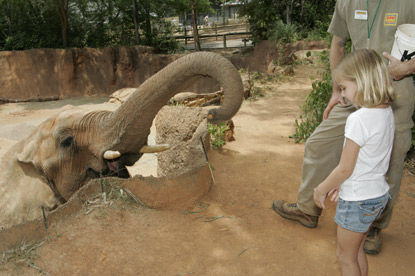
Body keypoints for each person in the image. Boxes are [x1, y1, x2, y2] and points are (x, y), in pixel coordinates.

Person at [272, 0, 415, 254]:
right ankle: (308, 208)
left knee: (391, 162)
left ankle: (373, 226)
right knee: (318, 143)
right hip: (355, 92)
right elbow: (338, 43)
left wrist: (407, 67)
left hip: (394, 93)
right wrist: (337, 90)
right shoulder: (347, 2)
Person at [313, 49, 395, 276]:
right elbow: (369, 161)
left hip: (358, 201)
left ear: (363, 82)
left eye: (344, 88)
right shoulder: (385, 112)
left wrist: (321, 189)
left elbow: (345, 168)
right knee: (357, 250)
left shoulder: (358, 119)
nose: (341, 96)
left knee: (345, 257)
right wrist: (345, 183)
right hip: (376, 195)